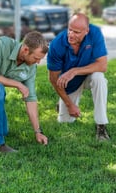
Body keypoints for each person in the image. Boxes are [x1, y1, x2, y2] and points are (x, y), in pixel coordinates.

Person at [47, 13, 110, 141]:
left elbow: (102, 66)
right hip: (70, 84)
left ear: (86, 31)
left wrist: (75, 71)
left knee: (99, 78)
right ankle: (63, 104)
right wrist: (69, 104)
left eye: (76, 32)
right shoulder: (56, 44)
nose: (71, 34)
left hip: (88, 75)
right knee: (65, 122)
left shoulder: (95, 33)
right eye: (70, 30)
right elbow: (53, 79)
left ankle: (101, 126)